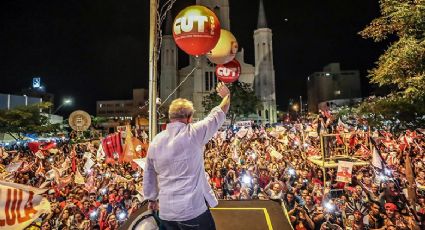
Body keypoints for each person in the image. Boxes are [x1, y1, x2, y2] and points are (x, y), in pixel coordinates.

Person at [143, 82, 231, 230]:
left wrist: (151, 197)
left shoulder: (156, 141)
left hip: (166, 212)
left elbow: (149, 172)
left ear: (171, 117)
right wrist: (227, 96)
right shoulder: (194, 133)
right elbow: (219, 113)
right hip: (192, 211)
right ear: (189, 118)